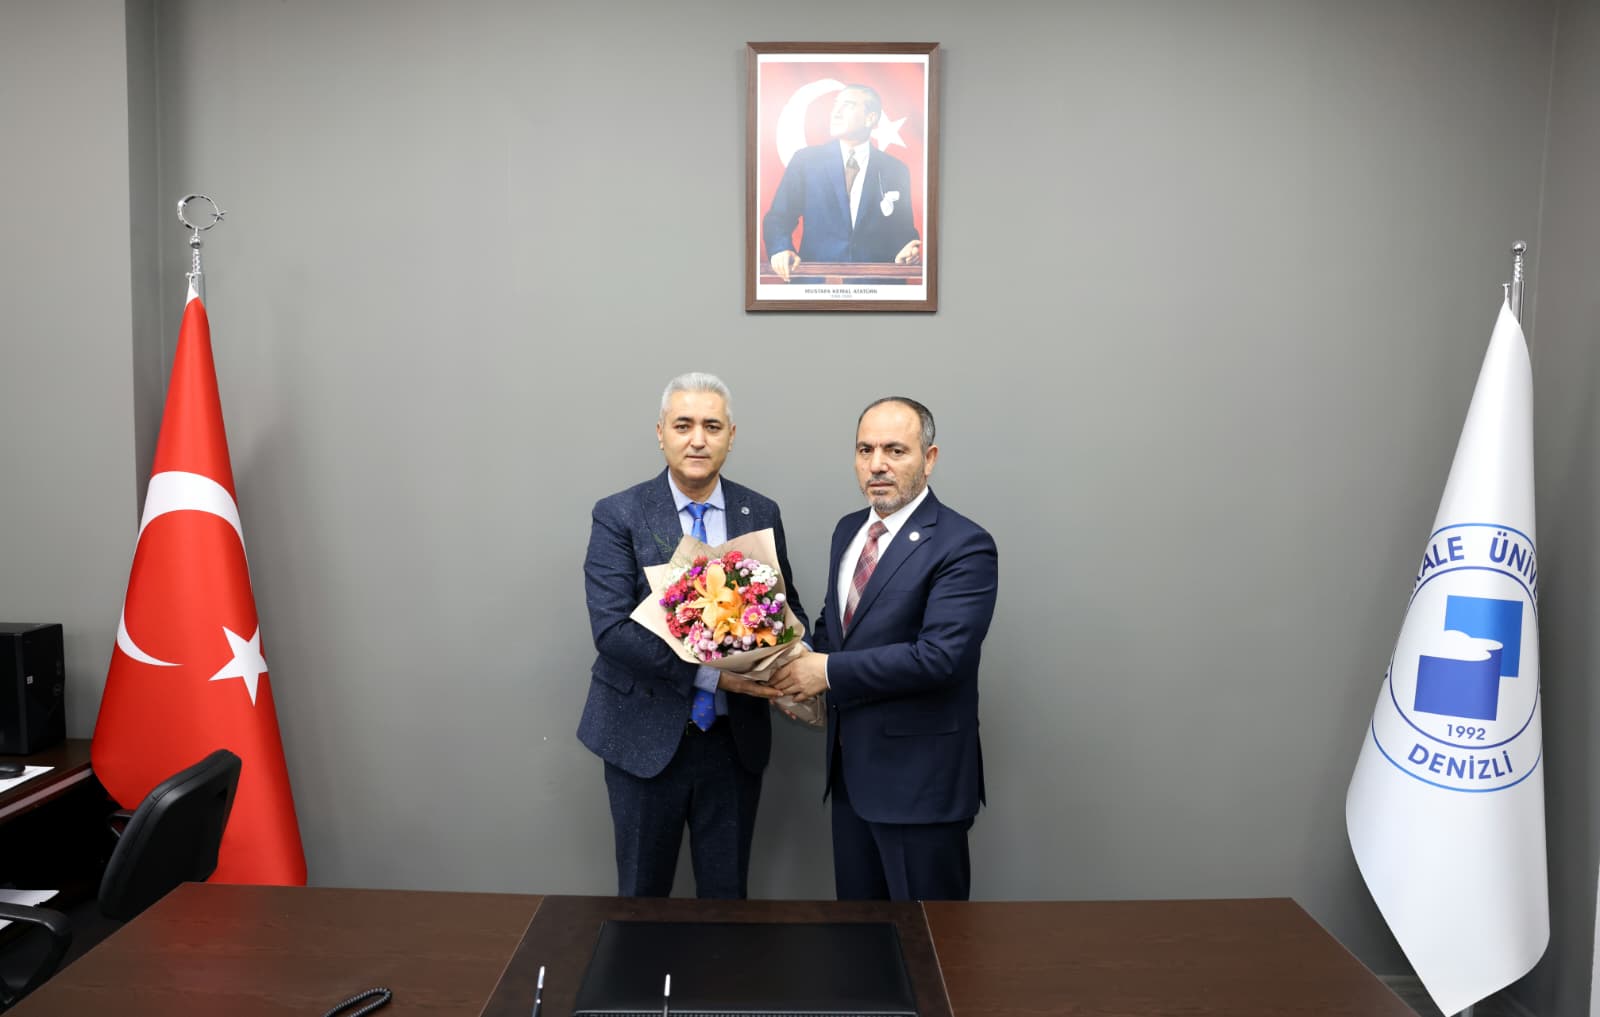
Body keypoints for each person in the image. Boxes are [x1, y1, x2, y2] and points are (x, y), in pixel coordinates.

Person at [578, 372, 808, 898]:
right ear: (661, 433)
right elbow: (611, 629)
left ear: (732, 435)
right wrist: (715, 677)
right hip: (642, 736)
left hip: (733, 742)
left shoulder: (760, 511)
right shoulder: (620, 514)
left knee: (727, 901)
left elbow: (784, 608)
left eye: (712, 426)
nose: (698, 439)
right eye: (683, 425)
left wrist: (796, 663)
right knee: (641, 900)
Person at [770, 397, 997, 902]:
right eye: (865, 450)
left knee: (931, 940)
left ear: (929, 458)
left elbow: (940, 657)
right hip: (850, 780)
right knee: (860, 937)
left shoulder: (964, 544)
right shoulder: (848, 530)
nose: (877, 465)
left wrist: (825, 672)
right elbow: (835, 627)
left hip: (920, 788)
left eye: (895, 450)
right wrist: (786, 668)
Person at [762, 84, 923, 281]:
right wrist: (780, 249)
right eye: (835, 105)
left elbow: (904, 231)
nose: (835, 112)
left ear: (870, 118)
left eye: (847, 105)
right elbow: (778, 218)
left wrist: (907, 251)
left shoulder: (896, 169)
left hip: (877, 288)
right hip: (817, 287)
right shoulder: (806, 161)